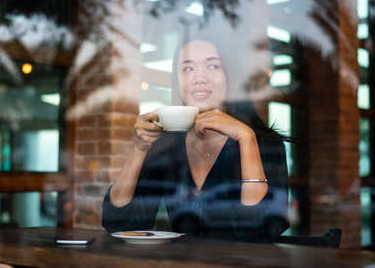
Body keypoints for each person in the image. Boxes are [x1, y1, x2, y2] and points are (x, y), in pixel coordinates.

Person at [102, 39, 289, 242]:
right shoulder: (167, 146)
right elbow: (119, 223)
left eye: (213, 66)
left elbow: (264, 231)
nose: (199, 77)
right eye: (188, 68)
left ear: (231, 77)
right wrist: (139, 149)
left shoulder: (264, 143)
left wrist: (246, 137)